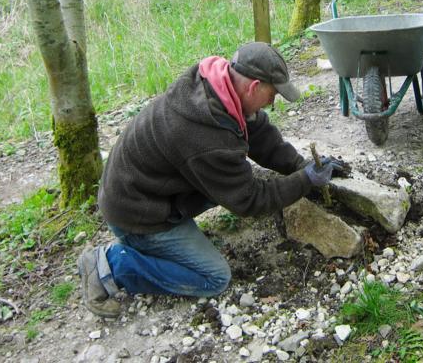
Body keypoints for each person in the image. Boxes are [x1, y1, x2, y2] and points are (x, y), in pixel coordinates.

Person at [77, 42, 342, 318]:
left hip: (144, 188)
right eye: (272, 94)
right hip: (137, 214)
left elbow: (259, 134)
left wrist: (302, 165)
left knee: (231, 180)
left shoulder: (217, 87)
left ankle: (157, 244)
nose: (272, 103)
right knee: (214, 277)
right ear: (253, 87)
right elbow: (249, 200)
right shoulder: (204, 136)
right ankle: (111, 265)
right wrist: (305, 180)